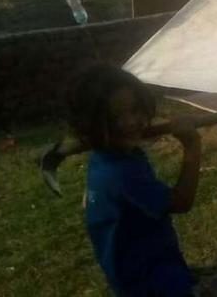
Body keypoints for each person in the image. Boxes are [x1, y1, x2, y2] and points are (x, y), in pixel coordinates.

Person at [68, 64, 201, 296]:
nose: (131, 122)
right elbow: (181, 202)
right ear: (91, 123)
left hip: (126, 269)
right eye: (116, 116)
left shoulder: (104, 157)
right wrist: (192, 146)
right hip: (151, 276)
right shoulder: (121, 174)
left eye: (135, 110)